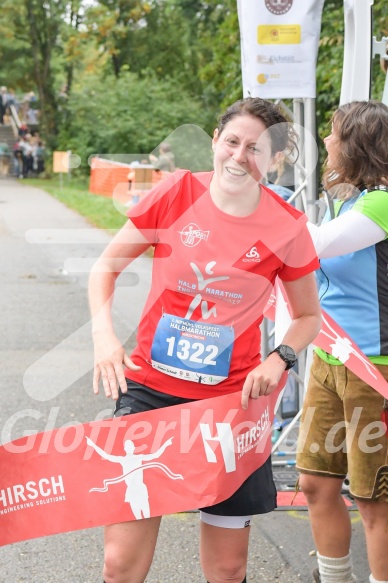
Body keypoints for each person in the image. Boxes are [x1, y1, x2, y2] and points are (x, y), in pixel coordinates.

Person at [88, 96, 321, 583]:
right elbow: (105, 268)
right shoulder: (177, 192)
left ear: (274, 159)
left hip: (228, 407)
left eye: (255, 149)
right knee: (119, 564)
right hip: (150, 394)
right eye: (232, 142)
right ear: (215, 142)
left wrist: (279, 358)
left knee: (228, 568)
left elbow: (307, 317)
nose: (240, 156)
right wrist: (104, 337)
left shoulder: (287, 226)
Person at [296, 100, 388, 583]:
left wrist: (259, 202)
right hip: (330, 358)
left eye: (333, 134)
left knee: (375, 499)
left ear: (356, 144)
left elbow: (310, 246)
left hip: (375, 370)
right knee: (314, 482)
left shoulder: (383, 202)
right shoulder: (349, 200)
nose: (327, 143)